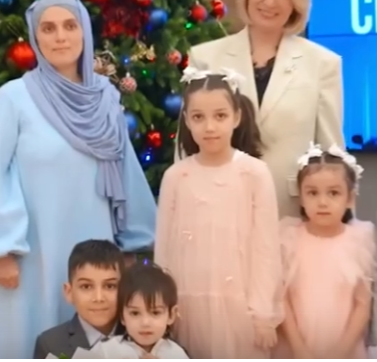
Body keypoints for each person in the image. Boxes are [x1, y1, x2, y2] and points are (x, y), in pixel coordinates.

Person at [0, 0, 157, 360]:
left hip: (96, 249)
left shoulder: (106, 99)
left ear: (85, 32)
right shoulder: (12, 98)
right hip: (31, 254)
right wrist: (0, 251)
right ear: (36, 38)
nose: (60, 37)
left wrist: (129, 245)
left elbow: (124, 171)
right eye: (48, 28)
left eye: (69, 25)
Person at [188, 0, 344, 217]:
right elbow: (188, 148)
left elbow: (332, 156)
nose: (270, 1)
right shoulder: (205, 59)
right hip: (218, 210)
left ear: (296, 2)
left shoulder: (323, 64)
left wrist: (338, 224)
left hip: (293, 214)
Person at [154, 66, 283, 359]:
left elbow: (266, 248)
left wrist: (263, 312)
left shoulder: (254, 173)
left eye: (220, 116)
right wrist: (163, 307)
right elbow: (164, 249)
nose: (209, 127)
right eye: (198, 117)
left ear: (236, 117)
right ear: (187, 119)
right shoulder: (176, 177)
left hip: (242, 308)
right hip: (187, 307)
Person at [275, 143, 373, 358]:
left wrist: (340, 352)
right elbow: (283, 300)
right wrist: (299, 349)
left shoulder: (358, 242)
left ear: (349, 198)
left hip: (344, 348)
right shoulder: (289, 240)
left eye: (333, 193)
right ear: (301, 197)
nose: (322, 202)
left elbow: (362, 305)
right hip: (296, 348)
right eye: (312, 193)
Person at [33, 240, 126, 359]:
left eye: (110, 286)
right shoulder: (50, 344)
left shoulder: (140, 336)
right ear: (69, 292)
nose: (98, 298)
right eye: (86, 287)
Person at [94, 263, 188, 359]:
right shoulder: (105, 351)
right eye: (135, 313)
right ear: (122, 316)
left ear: (171, 315)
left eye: (155, 313)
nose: (145, 323)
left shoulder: (177, 354)